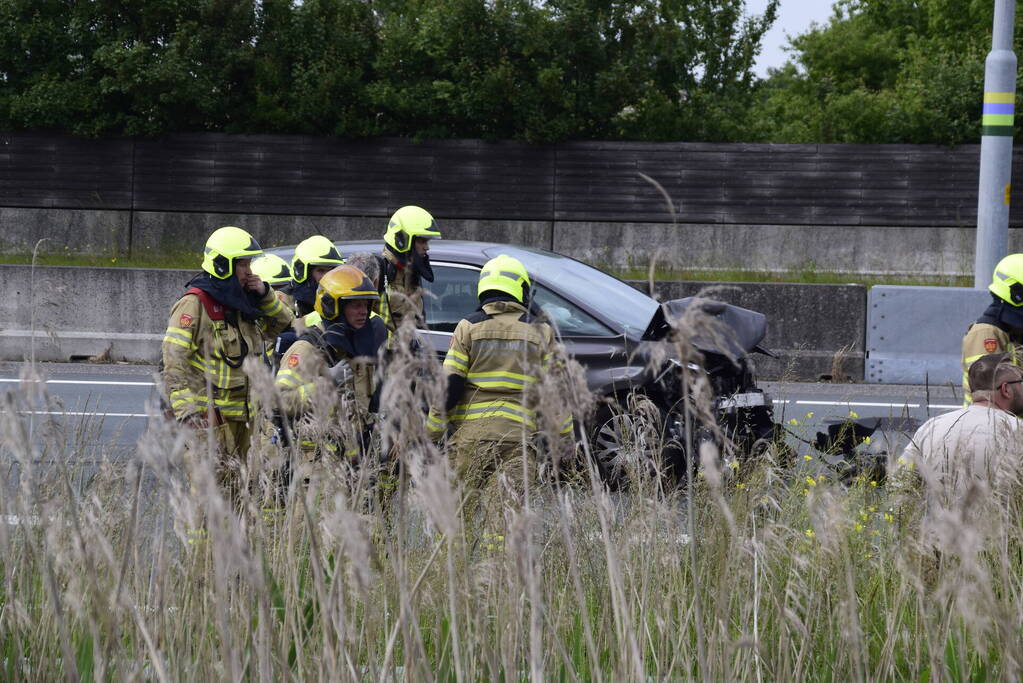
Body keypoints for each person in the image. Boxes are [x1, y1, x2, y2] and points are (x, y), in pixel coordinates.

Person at [427, 254, 573, 535]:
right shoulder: (541, 331)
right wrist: (565, 438)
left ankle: (457, 563)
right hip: (518, 441)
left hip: (471, 440)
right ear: (522, 289)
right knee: (504, 522)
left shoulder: (468, 327)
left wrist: (431, 433)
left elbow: (449, 387)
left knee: (457, 519)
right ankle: (498, 563)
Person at [161, 226, 294, 497]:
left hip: (246, 422)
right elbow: (174, 365)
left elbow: (285, 327)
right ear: (222, 265)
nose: (249, 271)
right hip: (211, 425)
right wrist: (190, 418)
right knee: (208, 502)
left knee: (241, 499)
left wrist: (266, 295)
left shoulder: (244, 303)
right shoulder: (194, 304)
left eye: (249, 263)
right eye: (242, 264)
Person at [274, 265, 389, 466]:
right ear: (332, 305)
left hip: (354, 463)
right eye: (355, 305)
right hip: (317, 466)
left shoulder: (359, 346)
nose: (363, 312)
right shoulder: (306, 348)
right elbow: (278, 400)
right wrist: (327, 384)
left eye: (366, 305)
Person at [897, 353, 1023, 506]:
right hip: (1000, 521)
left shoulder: (932, 427)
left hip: (939, 521)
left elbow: (899, 484)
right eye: (1021, 382)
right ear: (1006, 389)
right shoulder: (1018, 431)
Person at [961, 253, 1023, 403]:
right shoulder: (986, 333)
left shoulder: (1014, 327)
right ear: (1016, 292)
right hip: (990, 417)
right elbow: (990, 393)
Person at [379, 205, 441, 332]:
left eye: (427, 242)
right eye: (422, 241)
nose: (427, 248)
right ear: (402, 240)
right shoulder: (378, 271)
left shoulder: (412, 275)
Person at [285, 235, 346, 321]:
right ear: (305, 273)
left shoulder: (343, 299)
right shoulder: (285, 300)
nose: (326, 276)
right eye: (321, 270)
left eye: (330, 271)